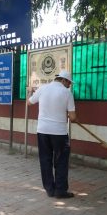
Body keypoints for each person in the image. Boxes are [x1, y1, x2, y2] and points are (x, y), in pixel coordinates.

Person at [27, 70, 77, 199]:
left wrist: (33, 94)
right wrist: (68, 114)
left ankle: (50, 189)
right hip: (59, 133)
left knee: (45, 160)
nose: (69, 85)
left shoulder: (43, 89)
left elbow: (29, 102)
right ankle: (60, 191)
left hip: (42, 131)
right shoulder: (67, 93)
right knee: (61, 161)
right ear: (64, 80)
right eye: (69, 83)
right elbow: (73, 117)